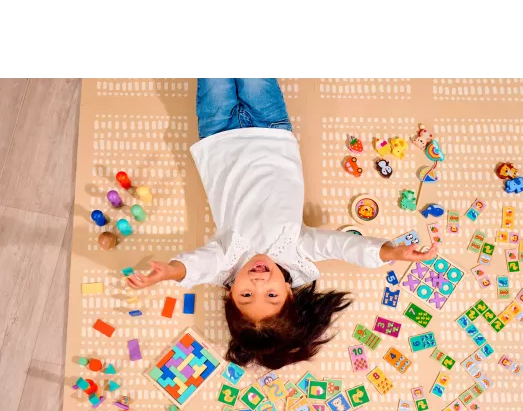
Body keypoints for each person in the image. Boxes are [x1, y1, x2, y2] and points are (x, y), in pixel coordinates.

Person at [127, 78, 437, 369]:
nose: (259, 284)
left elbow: (196, 267)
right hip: (271, 131)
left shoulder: (225, 262)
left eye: (246, 296)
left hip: (217, 136)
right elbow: (341, 246)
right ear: (289, 292)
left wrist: (170, 272)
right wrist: (389, 252)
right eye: (271, 296)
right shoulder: (296, 253)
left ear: (230, 294)